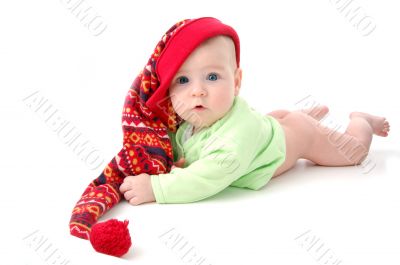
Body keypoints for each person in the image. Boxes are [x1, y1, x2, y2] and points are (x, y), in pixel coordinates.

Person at [119, 21, 390, 206]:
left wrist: (156, 188)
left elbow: (205, 178)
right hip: (268, 126)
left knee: (354, 153)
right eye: (183, 80)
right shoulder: (188, 122)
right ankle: (301, 115)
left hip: (298, 138)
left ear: (236, 82)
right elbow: (175, 148)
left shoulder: (235, 140)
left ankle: (360, 120)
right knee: (272, 122)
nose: (197, 91)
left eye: (212, 76)